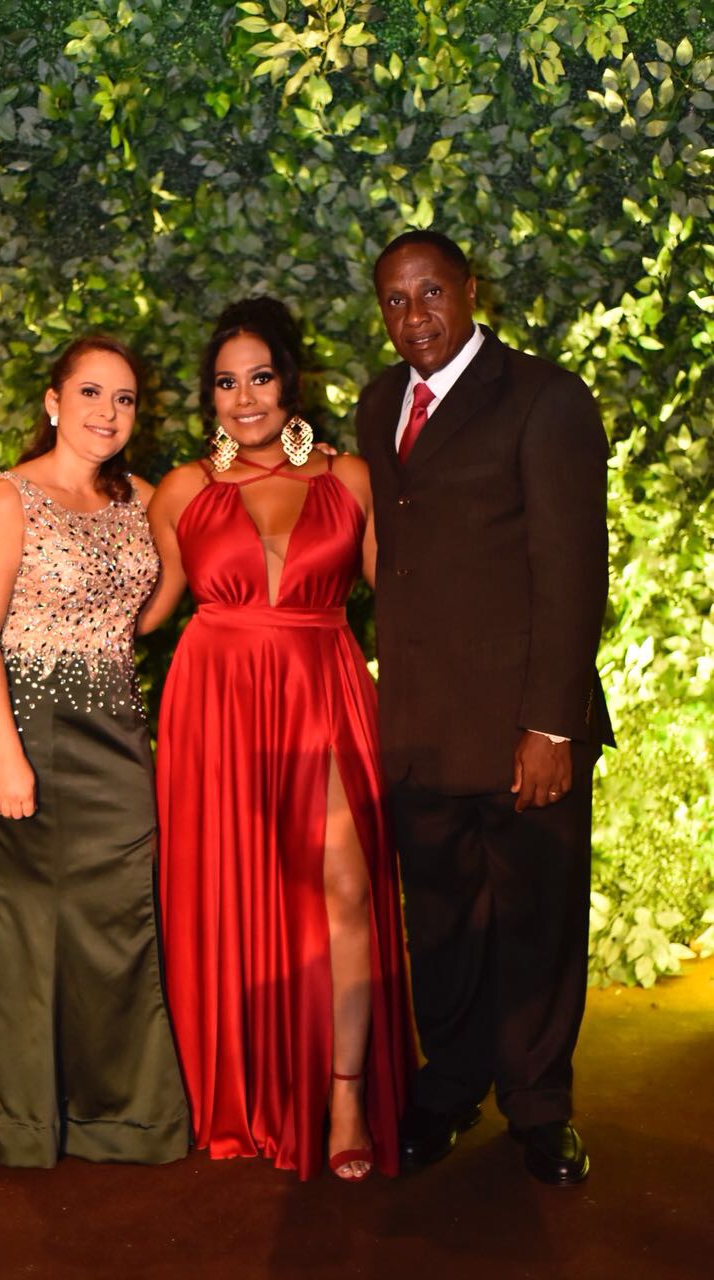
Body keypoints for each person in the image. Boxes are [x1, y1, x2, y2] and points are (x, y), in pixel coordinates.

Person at [356, 230, 613, 1186]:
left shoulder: (546, 397)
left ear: (469, 289)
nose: (413, 315)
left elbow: (572, 569)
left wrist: (551, 724)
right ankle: (451, 1085)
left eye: (430, 293)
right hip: (420, 728)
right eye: (394, 300)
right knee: (443, 924)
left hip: (521, 729)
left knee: (538, 921)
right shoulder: (380, 402)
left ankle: (540, 1105)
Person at [141, 297, 411, 1181]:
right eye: (225, 382)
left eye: (259, 377)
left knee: (344, 890)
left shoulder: (355, 479)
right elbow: (151, 610)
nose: (244, 398)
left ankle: (342, 1093)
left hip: (325, 690)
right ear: (210, 397)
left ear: (290, 381)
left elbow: (404, 613)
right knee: (231, 897)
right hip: (214, 706)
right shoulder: (182, 490)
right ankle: (240, 1090)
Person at [0, 336, 190, 1168]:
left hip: (116, 732)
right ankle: (10, 1119)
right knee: (29, 921)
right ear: (53, 402)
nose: (106, 413)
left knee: (119, 923)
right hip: (31, 730)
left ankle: (118, 1116)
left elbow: (152, 606)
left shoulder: (142, 498)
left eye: (123, 400)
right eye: (90, 393)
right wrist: (8, 758)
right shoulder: (7, 498)